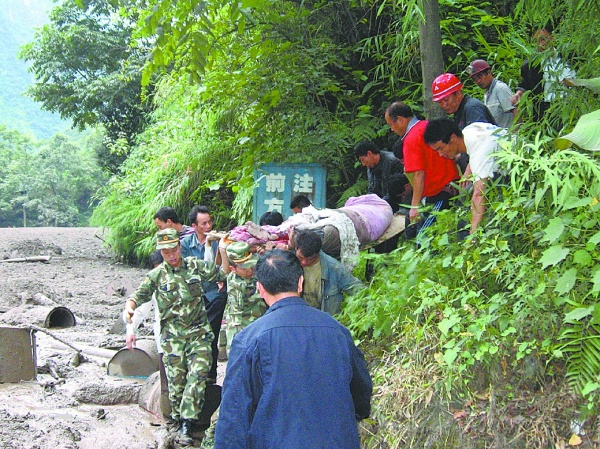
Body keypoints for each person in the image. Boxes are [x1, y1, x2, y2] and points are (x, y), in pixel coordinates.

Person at [213, 249, 372, 449]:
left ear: (260, 288)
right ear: (300, 282)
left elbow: (233, 417)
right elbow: (362, 392)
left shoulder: (249, 340)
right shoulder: (337, 331)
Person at [122, 228, 227, 445]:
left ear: (179, 246)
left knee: (198, 376)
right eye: (166, 251)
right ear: (161, 252)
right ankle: (179, 423)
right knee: (177, 386)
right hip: (172, 340)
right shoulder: (156, 276)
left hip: (199, 335)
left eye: (174, 249)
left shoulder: (195, 266)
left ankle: (188, 425)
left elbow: (222, 273)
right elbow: (136, 298)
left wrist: (224, 250)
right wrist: (128, 311)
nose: (171, 255)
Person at [384, 101, 460, 238]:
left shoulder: (411, 138)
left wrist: (414, 206)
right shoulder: (427, 125)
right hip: (452, 185)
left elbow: (418, 173)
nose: (392, 129)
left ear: (400, 120)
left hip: (439, 191)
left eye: (391, 125)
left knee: (423, 240)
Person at [424, 118, 506, 234]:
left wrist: (473, 236)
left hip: (523, 171)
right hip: (508, 164)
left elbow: (479, 195)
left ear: (452, 138)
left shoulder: (480, 151)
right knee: (466, 193)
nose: (440, 154)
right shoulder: (470, 131)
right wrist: (468, 171)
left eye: (440, 148)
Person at [180, 205, 227, 384]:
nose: (208, 226)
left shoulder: (218, 241)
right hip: (195, 296)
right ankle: (194, 373)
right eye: (203, 223)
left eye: (209, 222)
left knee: (211, 334)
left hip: (216, 294)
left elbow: (224, 267)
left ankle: (211, 375)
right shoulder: (186, 244)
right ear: (194, 226)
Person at [125, 250, 169, 415]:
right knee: (166, 381)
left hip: (187, 338)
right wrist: (130, 329)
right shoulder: (153, 281)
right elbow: (139, 309)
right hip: (163, 339)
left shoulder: (186, 273)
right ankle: (168, 416)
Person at [511, 25, 576, 122]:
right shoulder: (531, 65)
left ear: (552, 38)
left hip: (573, 106)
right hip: (547, 110)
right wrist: (518, 94)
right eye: (536, 41)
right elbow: (525, 84)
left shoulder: (569, 56)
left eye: (543, 39)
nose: (540, 44)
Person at [294, 230, 363, 315]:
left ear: (317, 253)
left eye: (309, 259)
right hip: (299, 315)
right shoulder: (290, 262)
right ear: (296, 248)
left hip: (324, 319)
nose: (304, 262)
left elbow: (358, 290)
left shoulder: (335, 268)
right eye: (300, 257)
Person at [354, 140, 408, 212]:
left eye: (363, 160)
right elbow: (372, 189)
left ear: (369, 153)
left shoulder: (393, 162)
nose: (363, 164)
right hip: (382, 205)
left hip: (400, 206)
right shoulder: (370, 167)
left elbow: (397, 190)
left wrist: (379, 204)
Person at [432, 72, 497, 130]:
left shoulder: (472, 108)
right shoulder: (459, 111)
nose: (444, 105)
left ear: (458, 93)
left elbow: (479, 138)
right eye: (440, 102)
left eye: (446, 100)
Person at [466, 59, 518, 129]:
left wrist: (516, 133)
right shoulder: (487, 94)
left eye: (480, 76)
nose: (478, 81)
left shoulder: (500, 88)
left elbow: (516, 111)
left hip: (508, 136)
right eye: (474, 79)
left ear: (489, 72)